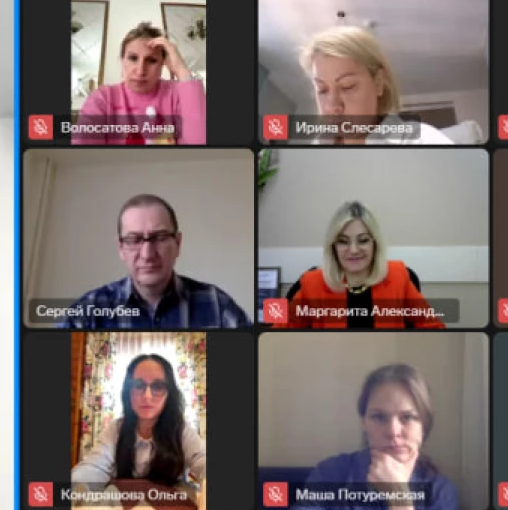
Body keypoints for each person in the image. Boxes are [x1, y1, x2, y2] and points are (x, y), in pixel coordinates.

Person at [292, 364, 460, 510]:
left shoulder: (440, 492)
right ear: (364, 423)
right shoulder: (330, 473)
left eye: (407, 417)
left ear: (424, 425)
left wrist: (399, 500)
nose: (393, 432)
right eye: (379, 417)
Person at [64, 196, 249, 329]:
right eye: (134, 240)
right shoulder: (85, 313)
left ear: (178, 243)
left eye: (159, 237)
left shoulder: (218, 305)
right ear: (121, 248)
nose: (147, 254)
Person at [275, 202, 445, 330]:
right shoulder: (312, 282)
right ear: (333, 246)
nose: (354, 250)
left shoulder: (398, 276)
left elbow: (434, 328)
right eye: (343, 241)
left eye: (363, 240)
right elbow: (277, 333)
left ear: (375, 244)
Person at [72, 354, 206, 493]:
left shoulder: (181, 430)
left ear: (169, 394)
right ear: (128, 392)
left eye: (158, 386)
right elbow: (95, 465)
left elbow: (201, 459)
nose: (147, 396)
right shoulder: (116, 429)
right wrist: (77, 487)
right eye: (138, 385)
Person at [296, 27, 453, 145]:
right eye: (322, 90)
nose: (332, 106)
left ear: (378, 83)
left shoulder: (419, 139)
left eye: (347, 86)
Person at [73, 22, 208, 146]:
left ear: (163, 64)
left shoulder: (176, 94)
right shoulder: (102, 98)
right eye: (133, 58)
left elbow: (199, 145)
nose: (140, 71)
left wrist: (181, 70)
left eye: (151, 60)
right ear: (122, 60)